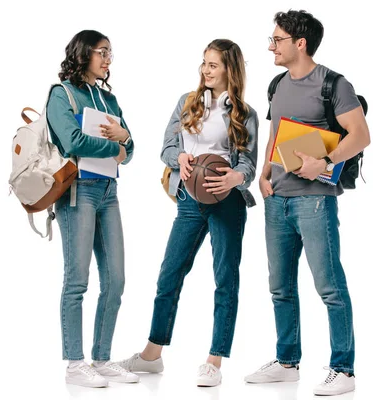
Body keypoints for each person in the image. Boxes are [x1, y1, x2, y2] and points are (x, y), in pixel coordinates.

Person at [117, 39, 258, 387]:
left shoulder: (245, 113)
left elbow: (249, 164)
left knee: (225, 280)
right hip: (189, 200)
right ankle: (152, 355)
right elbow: (166, 147)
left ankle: (214, 360)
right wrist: (178, 159)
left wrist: (235, 178)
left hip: (227, 201)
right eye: (203, 63)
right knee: (169, 275)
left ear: (229, 69)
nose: (205, 70)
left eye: (213, 65)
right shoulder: (188, 103)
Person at [244, 10, 371, 396]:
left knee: (329, 286)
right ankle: (287, 362)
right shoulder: (277, 84)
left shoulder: (334, 84)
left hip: (315, 201)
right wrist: (264, 174)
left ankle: (343, 369)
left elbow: (361, 135)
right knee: (279, 287)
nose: (271, 45)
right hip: (277, 199)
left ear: (300, 43)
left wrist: (327, 161)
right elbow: (275, 134)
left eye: (277, 39)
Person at [46, 30, 138, 388]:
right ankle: (74, 362)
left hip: (108, 192)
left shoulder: (107, 99)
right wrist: (114, 145)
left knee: (116, 279)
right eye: (102, 52)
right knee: (77, 280)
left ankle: (101, 358)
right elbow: (72, 141)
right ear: (83, 54)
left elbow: (130, 147)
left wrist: (123, 144)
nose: (107, 60)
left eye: (110, 54)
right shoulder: (62, 94)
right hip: (77, 193)